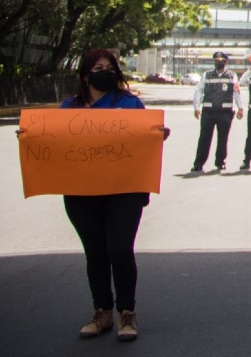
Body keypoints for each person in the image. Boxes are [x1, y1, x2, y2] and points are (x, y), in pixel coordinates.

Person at [18, 50, 171, 341]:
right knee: (96, 253)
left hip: (124, 190)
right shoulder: (69, 108)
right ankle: (102, 312)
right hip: (81, 191)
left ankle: (127, 313)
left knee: (120, 250)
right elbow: (55, 142)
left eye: (110, 67)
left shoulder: (130, 104)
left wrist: (158, 135)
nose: (106, 71)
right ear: (85, 74)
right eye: (99, 67)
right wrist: (30, 137)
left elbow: (145, 140)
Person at [191, 51, 242, 173]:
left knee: (223, 139)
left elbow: (236, 92)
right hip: (209, 111)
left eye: (221, 61)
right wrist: (196, 107)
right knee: (204, 138)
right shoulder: (207, 75)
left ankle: (220, 162)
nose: (218, 63)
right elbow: (199, 90)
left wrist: (240, 107)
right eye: (216, 61)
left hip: (225, 112)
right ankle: (198, 163)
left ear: (225, 62)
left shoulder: (232, 76)